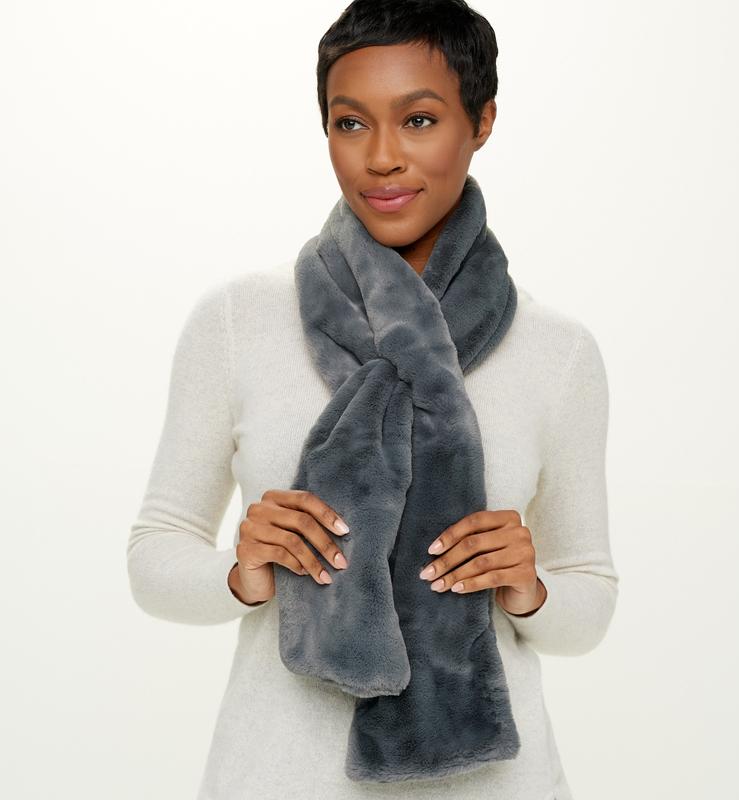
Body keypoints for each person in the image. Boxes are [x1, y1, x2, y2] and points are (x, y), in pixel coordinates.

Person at [127, 1, 619, 797]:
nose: (381, 158)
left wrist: (529, 589)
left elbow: (589, 599)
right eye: (350, 123)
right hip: (276, 777)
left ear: (482, 121)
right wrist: (243, 571)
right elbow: (154, 555)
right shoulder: (239, 320)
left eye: (419, 120)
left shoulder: (557, 352)